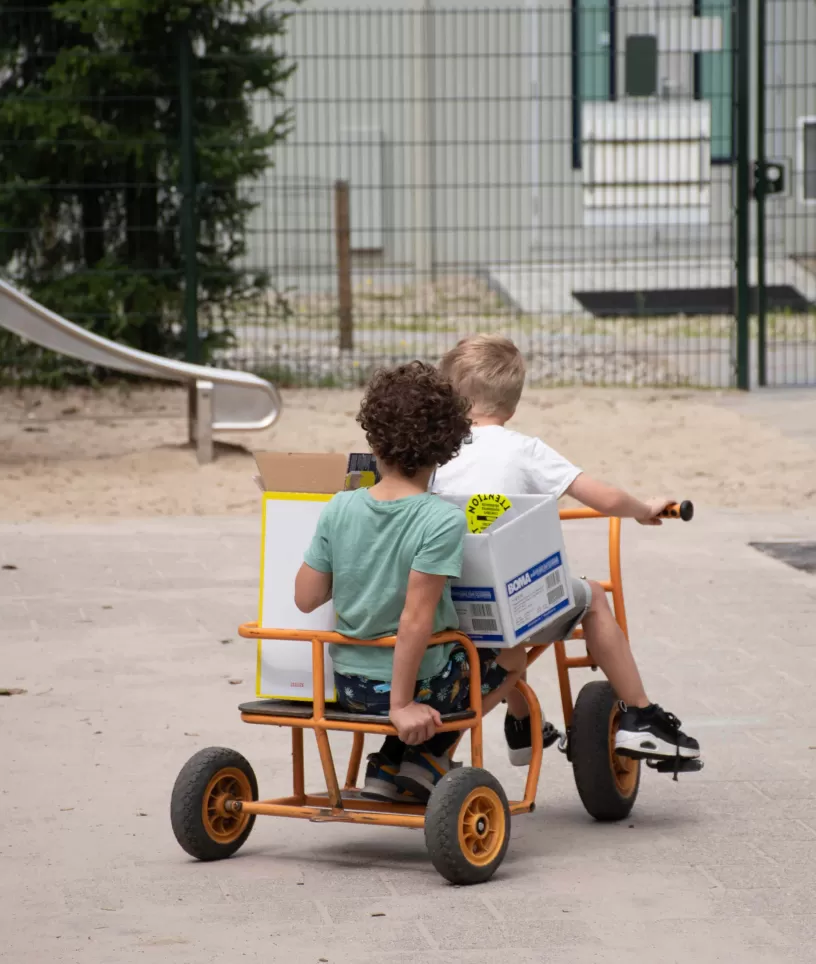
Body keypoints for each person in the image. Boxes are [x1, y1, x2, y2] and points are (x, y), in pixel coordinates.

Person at [432, 334, 700, 767]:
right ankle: (642, 716)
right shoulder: (523, 448)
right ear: (512, 407)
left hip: (445, 602)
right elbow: (606, 499)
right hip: (510, 607)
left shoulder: (434, 453)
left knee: (495, 639)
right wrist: (642, 508)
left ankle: (523, 726)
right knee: (590, 596)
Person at [294, 361, 526, 803]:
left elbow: (306, 598)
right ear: (447, 448)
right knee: (510, 657)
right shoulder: (440, 520)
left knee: (441, 659)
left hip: (350, 685)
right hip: (414, 688)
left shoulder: (339, 507)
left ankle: (384, 765)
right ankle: (430, 757)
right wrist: (400, 706)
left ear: (374, 438)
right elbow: (416, 620)